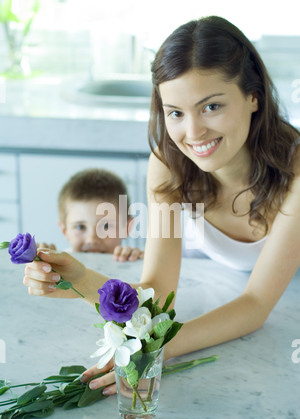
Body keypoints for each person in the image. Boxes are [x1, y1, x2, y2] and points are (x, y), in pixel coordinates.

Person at [23, 16, 300, 395]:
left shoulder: (295, 171)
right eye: (176, 113)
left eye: (212, 106)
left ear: (254, 96)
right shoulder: (170, 163)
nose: (193, 132)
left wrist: (155, 349)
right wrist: (80, 279)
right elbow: (158, 292)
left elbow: (255, 305)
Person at [38, 168, 144, 262]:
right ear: (64, 230)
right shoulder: (56, 265)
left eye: (105, 226)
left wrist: (139, 263)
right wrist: (42, 262)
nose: (92, 239)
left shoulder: (130, 261)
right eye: (80, 227)